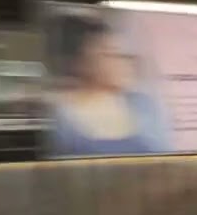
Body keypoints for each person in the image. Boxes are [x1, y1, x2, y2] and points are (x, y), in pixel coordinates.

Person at [47, 12, 169, 156]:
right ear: (81, 63)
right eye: (110, 54)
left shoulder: (144, 105)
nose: (123, 62)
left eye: (124, 55)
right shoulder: (62, 121)